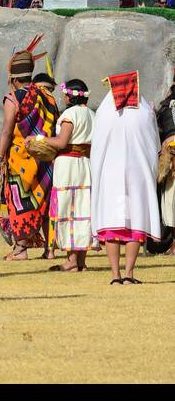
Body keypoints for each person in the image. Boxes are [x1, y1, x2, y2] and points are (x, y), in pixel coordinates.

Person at [90, 71, 161, 284]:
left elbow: (98, 145)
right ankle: (129, 274)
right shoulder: (144, 112)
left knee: (112, 224)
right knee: (135, 223)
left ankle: (115, 275)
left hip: (110, 174)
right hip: (137, 174)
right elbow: (153, 144)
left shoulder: (105, 112)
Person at [0, 36, 57, 260]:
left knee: (20, 201)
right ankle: (49, 249)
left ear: (13, 77)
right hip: (45, 158)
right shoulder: (46, 96)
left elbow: (7, 131)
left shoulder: (13, 99)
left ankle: (21, 249)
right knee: (44, 202)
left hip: (19, 160)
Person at [29, 79, 93, 272]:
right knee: (83, 210)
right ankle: (80, 261)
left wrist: (38, 138)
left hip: (69, 167)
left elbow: (62, 142)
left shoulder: (70, 114)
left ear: (70, 96)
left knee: (68, 209)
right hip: (86, 165)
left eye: (65, 94)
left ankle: (71, 261)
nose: (63, 97)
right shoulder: (91, 114)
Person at [153, 82, 175, 253]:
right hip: (169, 158)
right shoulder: (166, 106)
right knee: (170, 200)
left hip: (169, 154)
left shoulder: (165, 106)